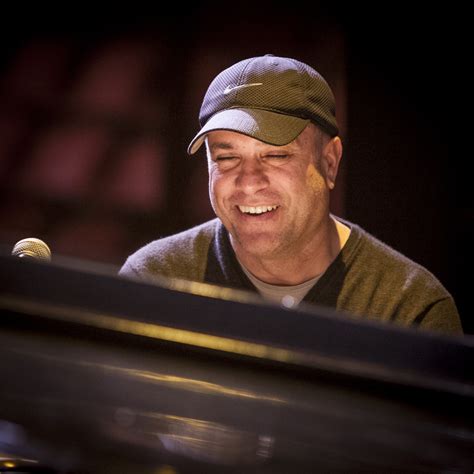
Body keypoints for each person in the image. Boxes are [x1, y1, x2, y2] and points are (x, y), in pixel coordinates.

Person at [119, 54, 462, 335]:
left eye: (276, 155)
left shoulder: (408, 310)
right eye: (226, 158)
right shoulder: (155, 281)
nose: (249, 183)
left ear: (330, 163)